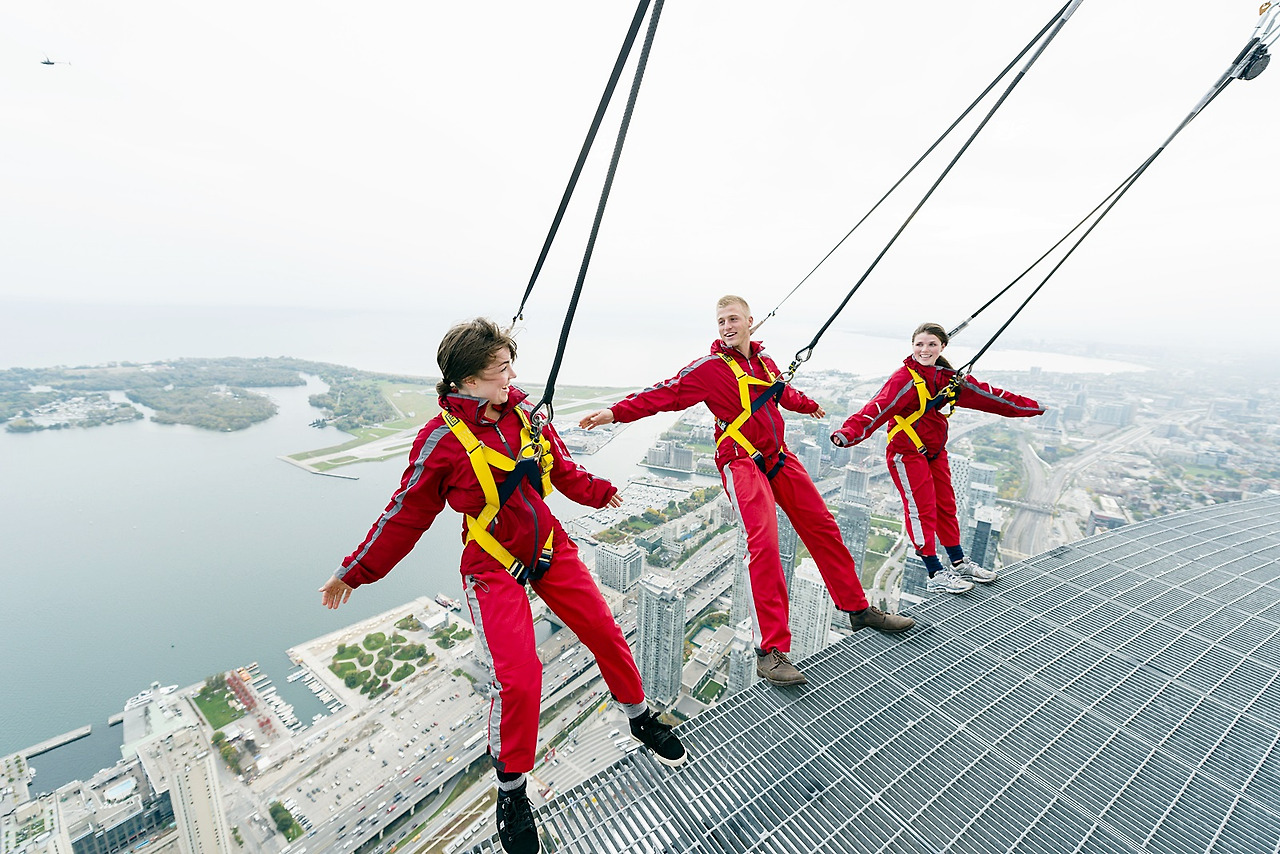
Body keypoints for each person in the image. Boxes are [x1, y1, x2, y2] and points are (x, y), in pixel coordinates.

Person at [319, 318, 685, 854]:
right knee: (518, 679)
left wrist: (599, 491)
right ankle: (512, 793)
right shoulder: (441, 441)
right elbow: (404, 515)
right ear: (465, 382)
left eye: (510, 367)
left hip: (547, 547)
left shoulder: (525, 416)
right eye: (499, 373)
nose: (510, 379)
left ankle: (638, 717)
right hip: (490, 565)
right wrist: (355, 570)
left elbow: (561, 469)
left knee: (606, 632)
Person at [579, 295, 914, 689]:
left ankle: (857, 609)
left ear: (750, 322)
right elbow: (664, 393)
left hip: (777, 456)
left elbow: (781, 393)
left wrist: (808, 407)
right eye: (721, 321)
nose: (726, 326)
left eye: (733, 318)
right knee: (763, 542)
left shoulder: (765, 363)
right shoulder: (709, 369)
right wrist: (615, 412)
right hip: (739, 461)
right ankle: (769, 651)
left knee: (823, 526)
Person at [831, 321, 1044, 594]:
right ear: (912, 346)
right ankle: (934, 573)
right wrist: (848, 433)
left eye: (931, 344)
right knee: (922, 510)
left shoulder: (947, 379)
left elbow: (992, 398)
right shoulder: (904, 378)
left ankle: (958, 561)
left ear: (942, 346)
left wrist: (1033, 408)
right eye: (919, 344)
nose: (924, 349)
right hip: (905, 453)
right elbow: (877, 407)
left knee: (946, 506)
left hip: (933, 451)